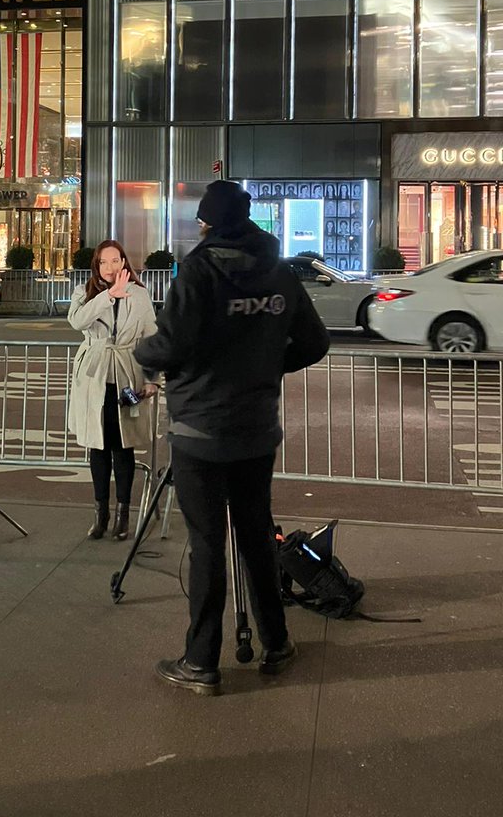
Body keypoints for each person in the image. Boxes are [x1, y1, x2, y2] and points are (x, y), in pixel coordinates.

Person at [134, 180, 330, 696]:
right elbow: (314, 341)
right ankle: (276, 643)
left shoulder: (198, 270)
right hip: (255, 428)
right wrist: (266, 368)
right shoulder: (279, 271)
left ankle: (201, 662)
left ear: (207, 222)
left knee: (206, 546)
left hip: (200, 429)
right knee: (257, 536)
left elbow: (171, 343)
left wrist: (144, 354)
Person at [68, 240, 158, 541]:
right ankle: (100, 513)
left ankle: (123, 514)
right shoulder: (85, 292)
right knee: (97, 446)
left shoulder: (140, 294)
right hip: (94, 376)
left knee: (123, 446)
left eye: (115, 261)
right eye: (104, 262)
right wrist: (108, 296)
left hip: (126, 373)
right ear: (97, 265)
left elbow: (150, 338)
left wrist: (152, 379)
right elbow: (77, 321)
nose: (110, 268)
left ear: (124, 262)